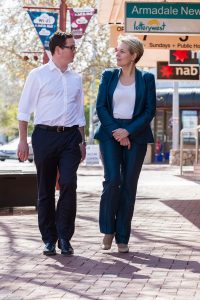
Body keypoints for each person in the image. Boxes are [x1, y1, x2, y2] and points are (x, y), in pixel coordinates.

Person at [17, 31, 86, 256]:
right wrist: (22, 141)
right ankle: (49, 238)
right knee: (45, 188)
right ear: (58, 50)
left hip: (70, 138)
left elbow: (79, 112)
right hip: (44, 136)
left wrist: (82, 140)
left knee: (68, 183)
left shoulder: (76, 78)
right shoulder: (37, 75)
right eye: (71, 47)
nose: (75, 51)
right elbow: (24, 110)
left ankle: (65, 237)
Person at [94, 36, 156, 253]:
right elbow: (101, 106)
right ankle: (108, 230)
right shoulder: (109, 75)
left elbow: (149, 110)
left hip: (136, 135)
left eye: (122, 51)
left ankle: (122, 236)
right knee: (113, 180)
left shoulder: (147, 78)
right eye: (117, 50)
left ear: (134, 56)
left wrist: (128, 131)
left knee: (129, 185)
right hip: (110, 132)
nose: (117, 54)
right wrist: (118, 132)